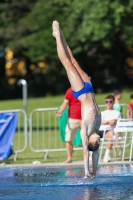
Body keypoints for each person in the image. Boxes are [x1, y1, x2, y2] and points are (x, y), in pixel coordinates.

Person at [52, 20, 101, 178]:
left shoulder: (85, 129)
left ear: (90, 140)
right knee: (74, 60)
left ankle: (57, 36)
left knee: (66, 63)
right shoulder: (97, 126)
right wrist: (95, 171)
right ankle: (61, 34)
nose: (99, 139)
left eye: (97, 141)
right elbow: (95, 155)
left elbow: (87, 153)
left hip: (80, 91)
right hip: (90, 88)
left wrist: (87, 173)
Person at [56, 87, 82, 164]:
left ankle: (89, 156)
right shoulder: (70, 91)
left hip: (84, 118)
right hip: (73, 118)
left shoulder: (85, 89)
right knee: (68, 139)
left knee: (86, 138)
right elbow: (65, 103)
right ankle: (69, 158)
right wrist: (60, 111)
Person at [99, 95, 121, 162]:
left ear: (113, 102)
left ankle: (106, 155)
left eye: (110, 102)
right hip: (99, 130)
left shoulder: (117, 113)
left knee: (110, 134)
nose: (108, 103)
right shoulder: (102, 113)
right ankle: (91, 155)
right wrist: (108, 121)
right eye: (107, 102)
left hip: (109, 130)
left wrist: (104, 122)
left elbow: (113, 123)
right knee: (90, 134)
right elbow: (98, 122)